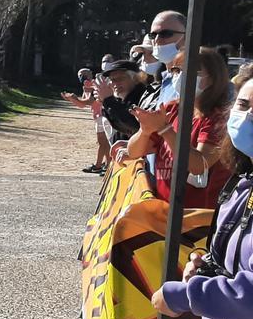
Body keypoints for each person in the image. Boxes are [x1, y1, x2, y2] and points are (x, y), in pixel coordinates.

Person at [152, 64, 253, 319]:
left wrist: (181, 295)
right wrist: (204, 269)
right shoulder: (243, 181)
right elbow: (229, 252)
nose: (246, 117)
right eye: (244, 104)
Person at [126, 47, 232, 209]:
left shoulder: (219, 118)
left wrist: (165, 130)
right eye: (176, 70)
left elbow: (199, 166)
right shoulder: (171, 109)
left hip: (198, 219)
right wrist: (145, 131)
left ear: (212, 78)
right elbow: (134, 152)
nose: (180, 75)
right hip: (166, 211)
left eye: (190, 70)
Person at [62, 68, 108, 174]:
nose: (81, 77)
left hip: (103, 114)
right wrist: (72, 99)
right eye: (80, 75)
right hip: (97, 115)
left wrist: (75, 99)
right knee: (102, 142)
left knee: (105, 142)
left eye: (83, 74)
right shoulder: (86, 87)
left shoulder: (94, 84)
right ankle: (99, 165)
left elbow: (90, 100)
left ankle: (106, 164)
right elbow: (82, 104)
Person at [96, 59, 148, 145]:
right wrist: (104, 102)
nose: (114, 83)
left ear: (135, 78)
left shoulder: (143, 97)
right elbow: (118, 125)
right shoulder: (124, 98)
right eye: (112, 80)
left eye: (120, 78)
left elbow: (132, 126)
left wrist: (108, 100)